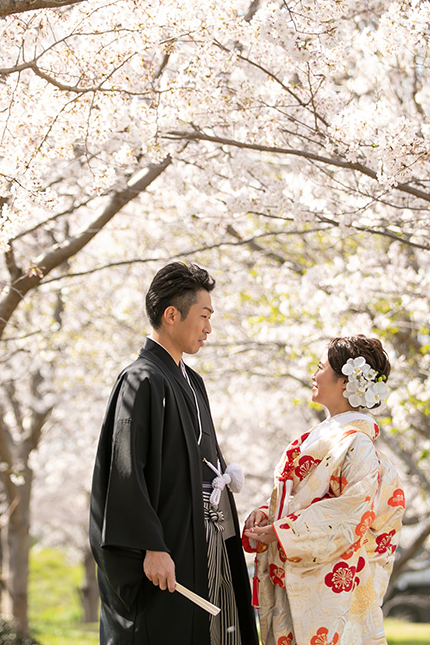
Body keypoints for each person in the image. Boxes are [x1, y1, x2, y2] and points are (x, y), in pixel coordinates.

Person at [89, 262, 258, 645]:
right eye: (204, 316)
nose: (209, 328)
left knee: (219, 629)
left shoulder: (191, 380)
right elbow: (125, 472)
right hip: (169, 540)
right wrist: (152, 546)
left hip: (208, 532)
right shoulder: (142, 379)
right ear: (171, 315)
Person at [242, 335, 406, 645]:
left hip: (329, 582)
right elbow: (294, 499)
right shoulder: (325, 436)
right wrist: (266, 515)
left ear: (346, 382)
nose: (314, 375)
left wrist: (283, 531)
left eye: (321, 367)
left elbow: (353, 512)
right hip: (299, 571)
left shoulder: (356, 443)